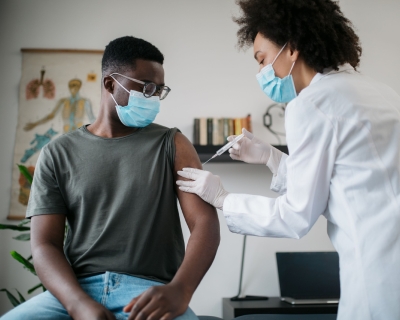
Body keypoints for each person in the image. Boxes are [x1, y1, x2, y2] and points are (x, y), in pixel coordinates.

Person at [176, 0, 400, 319]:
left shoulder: (310, 104)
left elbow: (296, 215)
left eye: (262, 59)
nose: (262, 72)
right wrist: (271, 156)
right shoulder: (380, 92)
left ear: (292, 48)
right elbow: (347, 177)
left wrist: (225, 199)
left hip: (377, 271)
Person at [3, 36, 220, 320]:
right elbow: (45, 244)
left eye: (159, 90)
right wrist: (77, 304)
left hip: (148, 294)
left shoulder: (173, 144)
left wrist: (181, 290)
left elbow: (204, 222)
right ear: (110, 84)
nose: (153, 97)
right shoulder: (57, 153)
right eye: (146, 87)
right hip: (76, 292)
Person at [24, 78, 96, 133]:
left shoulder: (85, 101)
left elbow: (92, 119)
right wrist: (36, 124)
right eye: (72, 85)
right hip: (66, 132)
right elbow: (51, 116)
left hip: (80, 132)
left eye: (76, 85)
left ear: (79, 87)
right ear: (69, 87)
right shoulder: (62, 101)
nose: (74, 87)